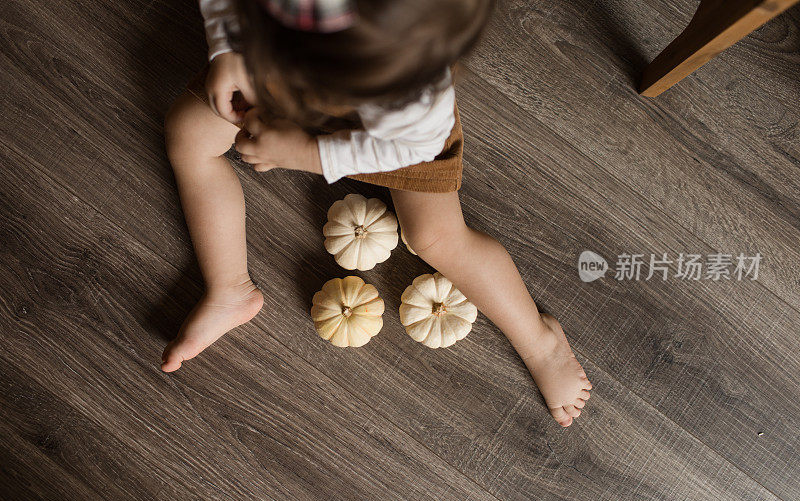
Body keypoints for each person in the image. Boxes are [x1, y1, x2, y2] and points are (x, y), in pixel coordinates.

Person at [162, 0, 592, 427]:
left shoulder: (416, 93)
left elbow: (410, 149)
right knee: (188, 137)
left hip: (387, 137)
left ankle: (541, 344)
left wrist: (308, 151)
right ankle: (229, 290)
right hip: (267, 66)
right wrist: (227, 47)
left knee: (436, 238)